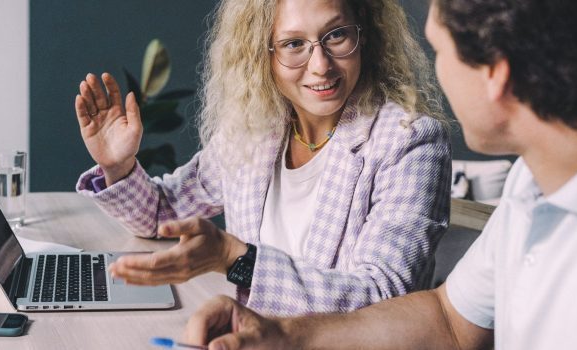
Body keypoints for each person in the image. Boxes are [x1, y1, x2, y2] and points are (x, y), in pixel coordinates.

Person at [183, 0, 577, 348]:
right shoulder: (535, 178)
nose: (434, 73)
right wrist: (282, 334)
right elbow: (448, 318)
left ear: (495, 76)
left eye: (440, 50)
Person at [73, 0, 451, 316]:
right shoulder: (256, 130)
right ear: (261, 53)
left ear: (363, 34)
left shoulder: (410, 142)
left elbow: (381, 298)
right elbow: (163, 213)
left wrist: (236, 258)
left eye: (336, 35)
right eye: (293, 44)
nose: (321, 65)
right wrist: (119, 166)